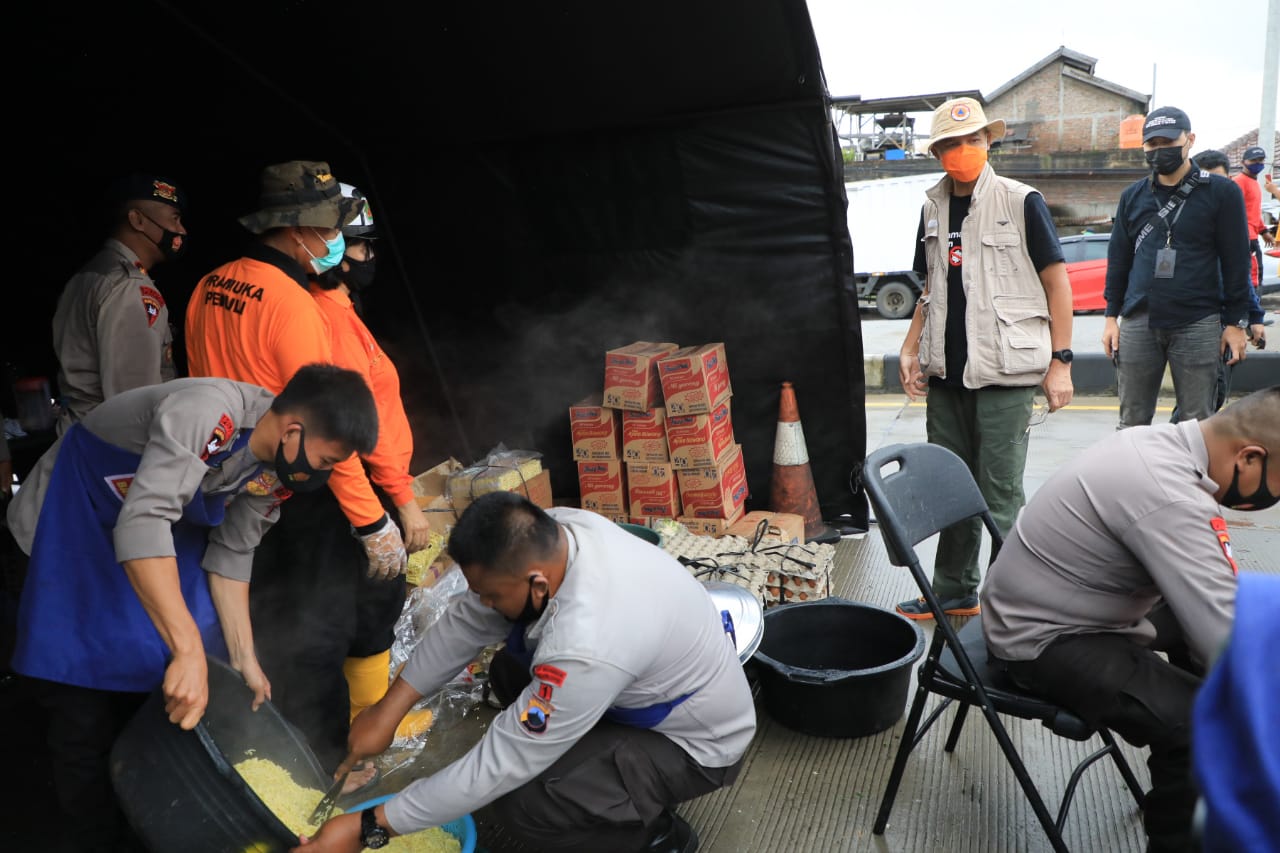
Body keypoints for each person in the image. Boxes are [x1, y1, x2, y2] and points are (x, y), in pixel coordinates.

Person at [5, 363, 379, 853]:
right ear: (293, 430)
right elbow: (143, 521)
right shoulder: (208, 414)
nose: (324, 473)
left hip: (150, 534)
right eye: (327, 460)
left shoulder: (276, 470)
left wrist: (244, 658)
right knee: (81, 700)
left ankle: (145, 803)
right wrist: (187, 651)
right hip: (76, 527)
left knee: (187, 665)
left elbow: (231, 555)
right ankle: (90, 833)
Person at [295, 492, 756, 853]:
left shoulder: (588, 644)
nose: (484, 604)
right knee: (509, 668)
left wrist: (369, 828)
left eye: (492, 594)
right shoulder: (555, 532)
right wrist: (388, 711)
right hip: (631, 686)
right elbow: (467, 619)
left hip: (696, 745)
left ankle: (649, 835)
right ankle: (604, 782)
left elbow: (500, 766)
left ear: (537, 583)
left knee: (523, 803)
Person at [185, 160, 414, 781]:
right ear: (298, 230)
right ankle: (323, 772)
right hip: (298, 488)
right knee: (317, 637)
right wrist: (373, 524)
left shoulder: (208, 286)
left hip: (231, 479)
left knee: (273, 628)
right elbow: (323, 427)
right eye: (332, 229)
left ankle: (269, 754)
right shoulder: (294, 303)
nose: (338, 245)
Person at [980, 385, 1280, 853]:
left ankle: (1191, 793)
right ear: (1249, 458)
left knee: (1223, 654)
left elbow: (1222, 603)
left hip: (1076, 602)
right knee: (1204, 729)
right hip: (1043, 636)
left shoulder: (1160, 445)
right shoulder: (1170, 495)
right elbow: (1226, 634)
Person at [249, 182, 432, 778]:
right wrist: (390, 509)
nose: (362, 256)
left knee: (367, 607)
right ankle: (342, 744)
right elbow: (344, 433)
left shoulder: (332, 308)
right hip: (340, 493)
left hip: (330, 486)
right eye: (355, 244)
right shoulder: (314, 314)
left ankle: (369, 717)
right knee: (344, 615)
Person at [896, 96, 1074, 621]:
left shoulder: (1021, 201)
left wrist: (1060, 361)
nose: (963, 150)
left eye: (972, 139)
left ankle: (1011, 601)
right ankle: (954, 590)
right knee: (950, 489)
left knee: (998, 495)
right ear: (938, 153)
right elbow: (929, 289)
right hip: (948, 376)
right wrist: (910, 348)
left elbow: (1056, 282)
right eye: (951, 143)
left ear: (988, 142)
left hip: (1005, 373)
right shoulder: (932, 208)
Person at [1102, 106, 1253, 429]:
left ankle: (1190, 480)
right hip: (1139, 318)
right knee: (1131, 421)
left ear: (1190, 140)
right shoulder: (1133, 196)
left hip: (1198, 320)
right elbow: (1119, 260)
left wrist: (1236, 322)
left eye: (1168, 142)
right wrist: (1111, 317)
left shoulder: (1221, 192)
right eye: (1151, 144)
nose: (1159, 150)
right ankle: (1132, 480)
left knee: (1196, 424)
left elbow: (1237, 260)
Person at [51, 174, 188, 433]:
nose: (181, 231)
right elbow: (134, 405)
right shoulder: (129, 287)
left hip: (80, 436)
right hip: (109, 448)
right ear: (137, 220)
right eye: (175, 219)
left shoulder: (89, 274)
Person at [1166, 150, 1266, 420]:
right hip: (1195, 320)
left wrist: (1253, 317)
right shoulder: (1184, 228)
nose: (1218, 190)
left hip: (1226, 321)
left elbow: (1242, 276)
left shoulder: (1232, 229)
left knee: (1212, 395)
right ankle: (1178, 451)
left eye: (1224, 182)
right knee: (1198, 402)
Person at [1233, 145, 1274, 290]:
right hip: (1245, 237)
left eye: (1261, 160)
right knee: (1253, 276)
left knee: (1256, 275)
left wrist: (1263, 231)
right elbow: (1234, 210)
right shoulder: (1239, 181)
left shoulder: (1253, 182)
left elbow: (1253, 212)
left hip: (1252, 235)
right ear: (1243, 162)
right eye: (1253, 160)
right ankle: (1252, 309)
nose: (1258, 164)